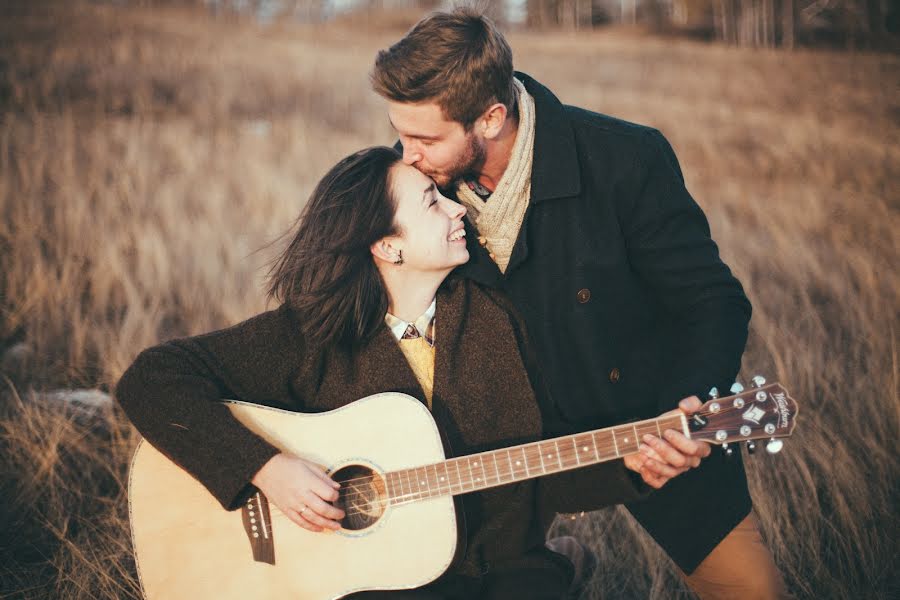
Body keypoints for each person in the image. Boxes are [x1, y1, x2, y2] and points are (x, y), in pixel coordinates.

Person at [115, 146, 699, 599]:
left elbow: (537, 471)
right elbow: (150, 379)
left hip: (505, 570)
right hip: (382, 583)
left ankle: (563, 560)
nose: (455, 207)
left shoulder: (500, 324)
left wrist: (633, 465)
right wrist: (266, 469)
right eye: (431, 201)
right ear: (388, 247)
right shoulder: (310, 337)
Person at [370, 9, 788, 600]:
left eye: (426, 138)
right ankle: (557, 568)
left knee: (753, 593)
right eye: (401, 132)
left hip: (649, 420)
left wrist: (687, 410)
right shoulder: (414, 185)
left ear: (491, 118)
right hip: (505, 455)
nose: (405, 154)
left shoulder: (626, 158)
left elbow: (712, 300)